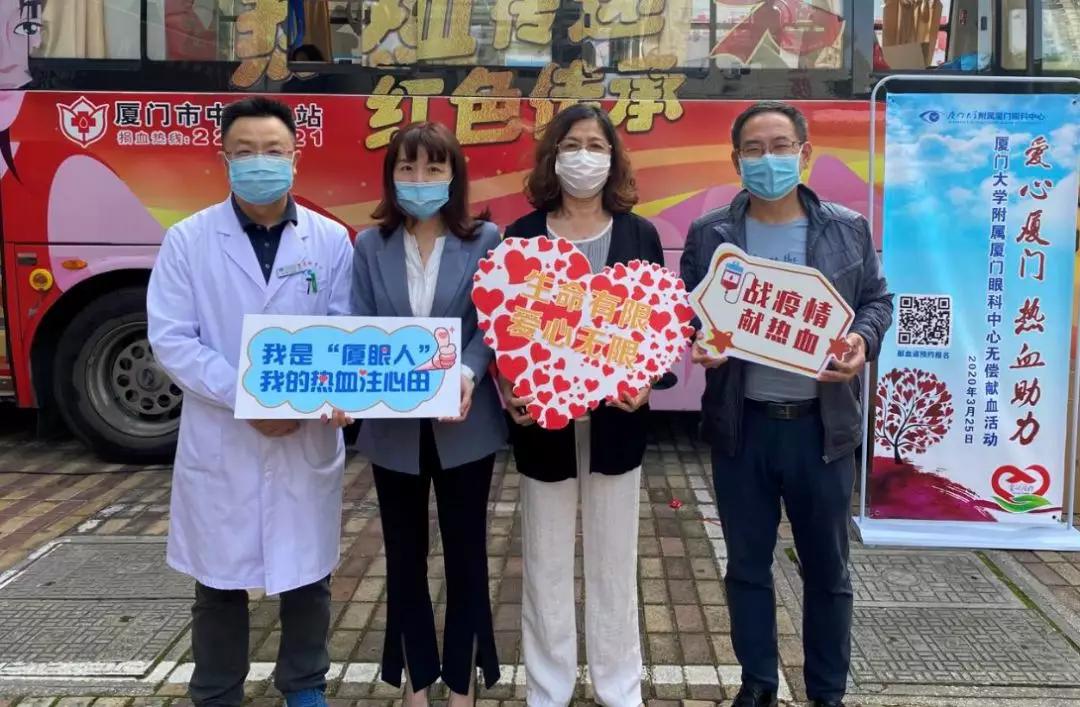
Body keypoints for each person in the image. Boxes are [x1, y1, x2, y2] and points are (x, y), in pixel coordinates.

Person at [680, 101, 894, 707]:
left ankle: (827, 693)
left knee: (827, 570)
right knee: (747, 567)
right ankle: (758, 685)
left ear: (805, 153)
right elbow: (687, 310)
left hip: (821, 433)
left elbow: (877, 301)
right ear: (736, 161)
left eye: (780, 146)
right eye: (754, 149)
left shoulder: (846, 228)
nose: (767, 159)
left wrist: (862, 341)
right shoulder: (711, 234)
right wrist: (698, 340)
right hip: (742, 428)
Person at [147, 97, 353, 707]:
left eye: (273, 150)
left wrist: (317, 401)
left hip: (304, 435)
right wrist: (251, 398)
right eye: (245, 152)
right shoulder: (188, 240)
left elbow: (344, 332)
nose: (259, 162)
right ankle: (216, 693)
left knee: (308, 577)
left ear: (295, 156)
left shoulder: (330, 240)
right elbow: (172, 339)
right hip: (224, 435)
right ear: (224, 159)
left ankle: (305, 687)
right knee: (218, 583)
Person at [501, 104, 661, 707]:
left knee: (615, 560)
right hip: (544, 423)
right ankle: (549, 690)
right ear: (553, 156)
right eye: (571, 145)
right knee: (544, 560)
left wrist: (648, 380)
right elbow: (503, 331)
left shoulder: (639, 234)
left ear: (613, 158)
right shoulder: (522, 235)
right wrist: (509, 386)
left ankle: (620, 689)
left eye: (596, 145)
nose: (584, 157)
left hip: (618, 420)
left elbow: (657, 328)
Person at [349, 121, 506, 707]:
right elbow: (357, 325)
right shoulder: (370, 246)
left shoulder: (485, 239)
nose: (420, 179)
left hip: (465, 423)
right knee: (403, 557)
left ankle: (462, 685)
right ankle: (415, 684)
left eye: (434, 168)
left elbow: (492, 324)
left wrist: (467, 372)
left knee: (467, 556)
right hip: (392, 430)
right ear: (391, 177)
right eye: (407, 167)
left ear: (453, 176)